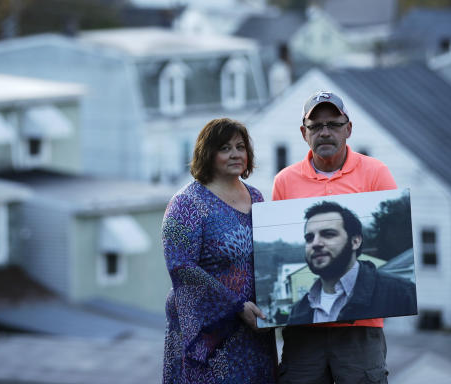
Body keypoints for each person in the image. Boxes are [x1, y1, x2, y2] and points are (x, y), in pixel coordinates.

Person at [272, 91, 398, 384]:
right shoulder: (285, 181)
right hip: (304, 330)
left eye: (333, 124)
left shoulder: (376, 173)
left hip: (361, 326)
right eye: (315, 126)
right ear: (304, 133)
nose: (324, 132)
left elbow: (391, 244)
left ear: (348, 128)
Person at [163, 117, 277, 384]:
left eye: (240, 146)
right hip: (210, 334)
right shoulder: (186, 204)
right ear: (208, 154)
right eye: (225, 148)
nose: (236, 154)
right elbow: (181, 267)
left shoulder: (258, 197)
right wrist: (236, 306)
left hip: (255, 328)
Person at [285, 201, 416, 326]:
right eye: (309, 238)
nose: (315, 243)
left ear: (355, 241)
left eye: (328, 234)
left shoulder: (402, 294)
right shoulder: (298, 312)